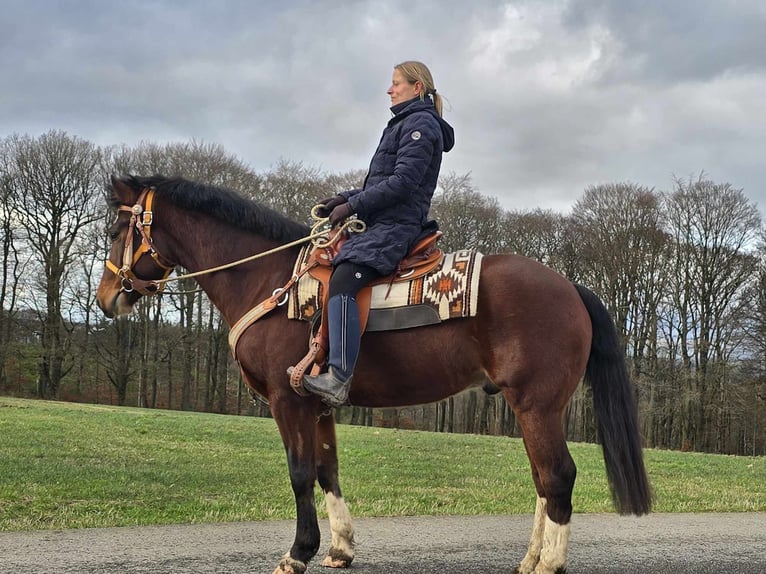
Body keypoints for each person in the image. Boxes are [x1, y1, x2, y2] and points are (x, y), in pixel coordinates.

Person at [302, 60, 455, 407]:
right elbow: (383, 182)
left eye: (396, 83)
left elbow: (401, 185)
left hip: (395, 226)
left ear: (417, 88)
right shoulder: (406, 123)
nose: (390, 89)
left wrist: (352, 208)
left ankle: (338, 377)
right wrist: (344, 198)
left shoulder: (420, 124)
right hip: (381, 222)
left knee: (343, 280)